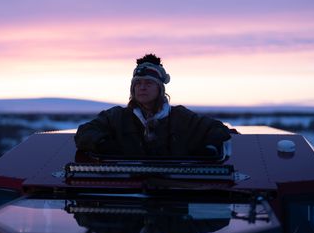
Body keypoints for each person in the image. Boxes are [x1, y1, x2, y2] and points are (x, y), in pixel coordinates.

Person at [75, 53, 231, 156]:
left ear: (160, 89)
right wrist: (102, 144)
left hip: (174, 189)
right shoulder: (116, 117)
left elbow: (218, 129)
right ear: (132, 89)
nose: (142, 87)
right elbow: (84, 132)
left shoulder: (181, 117)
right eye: (138, 83)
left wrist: (210, 147)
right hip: (127, 188)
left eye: (149, 83)